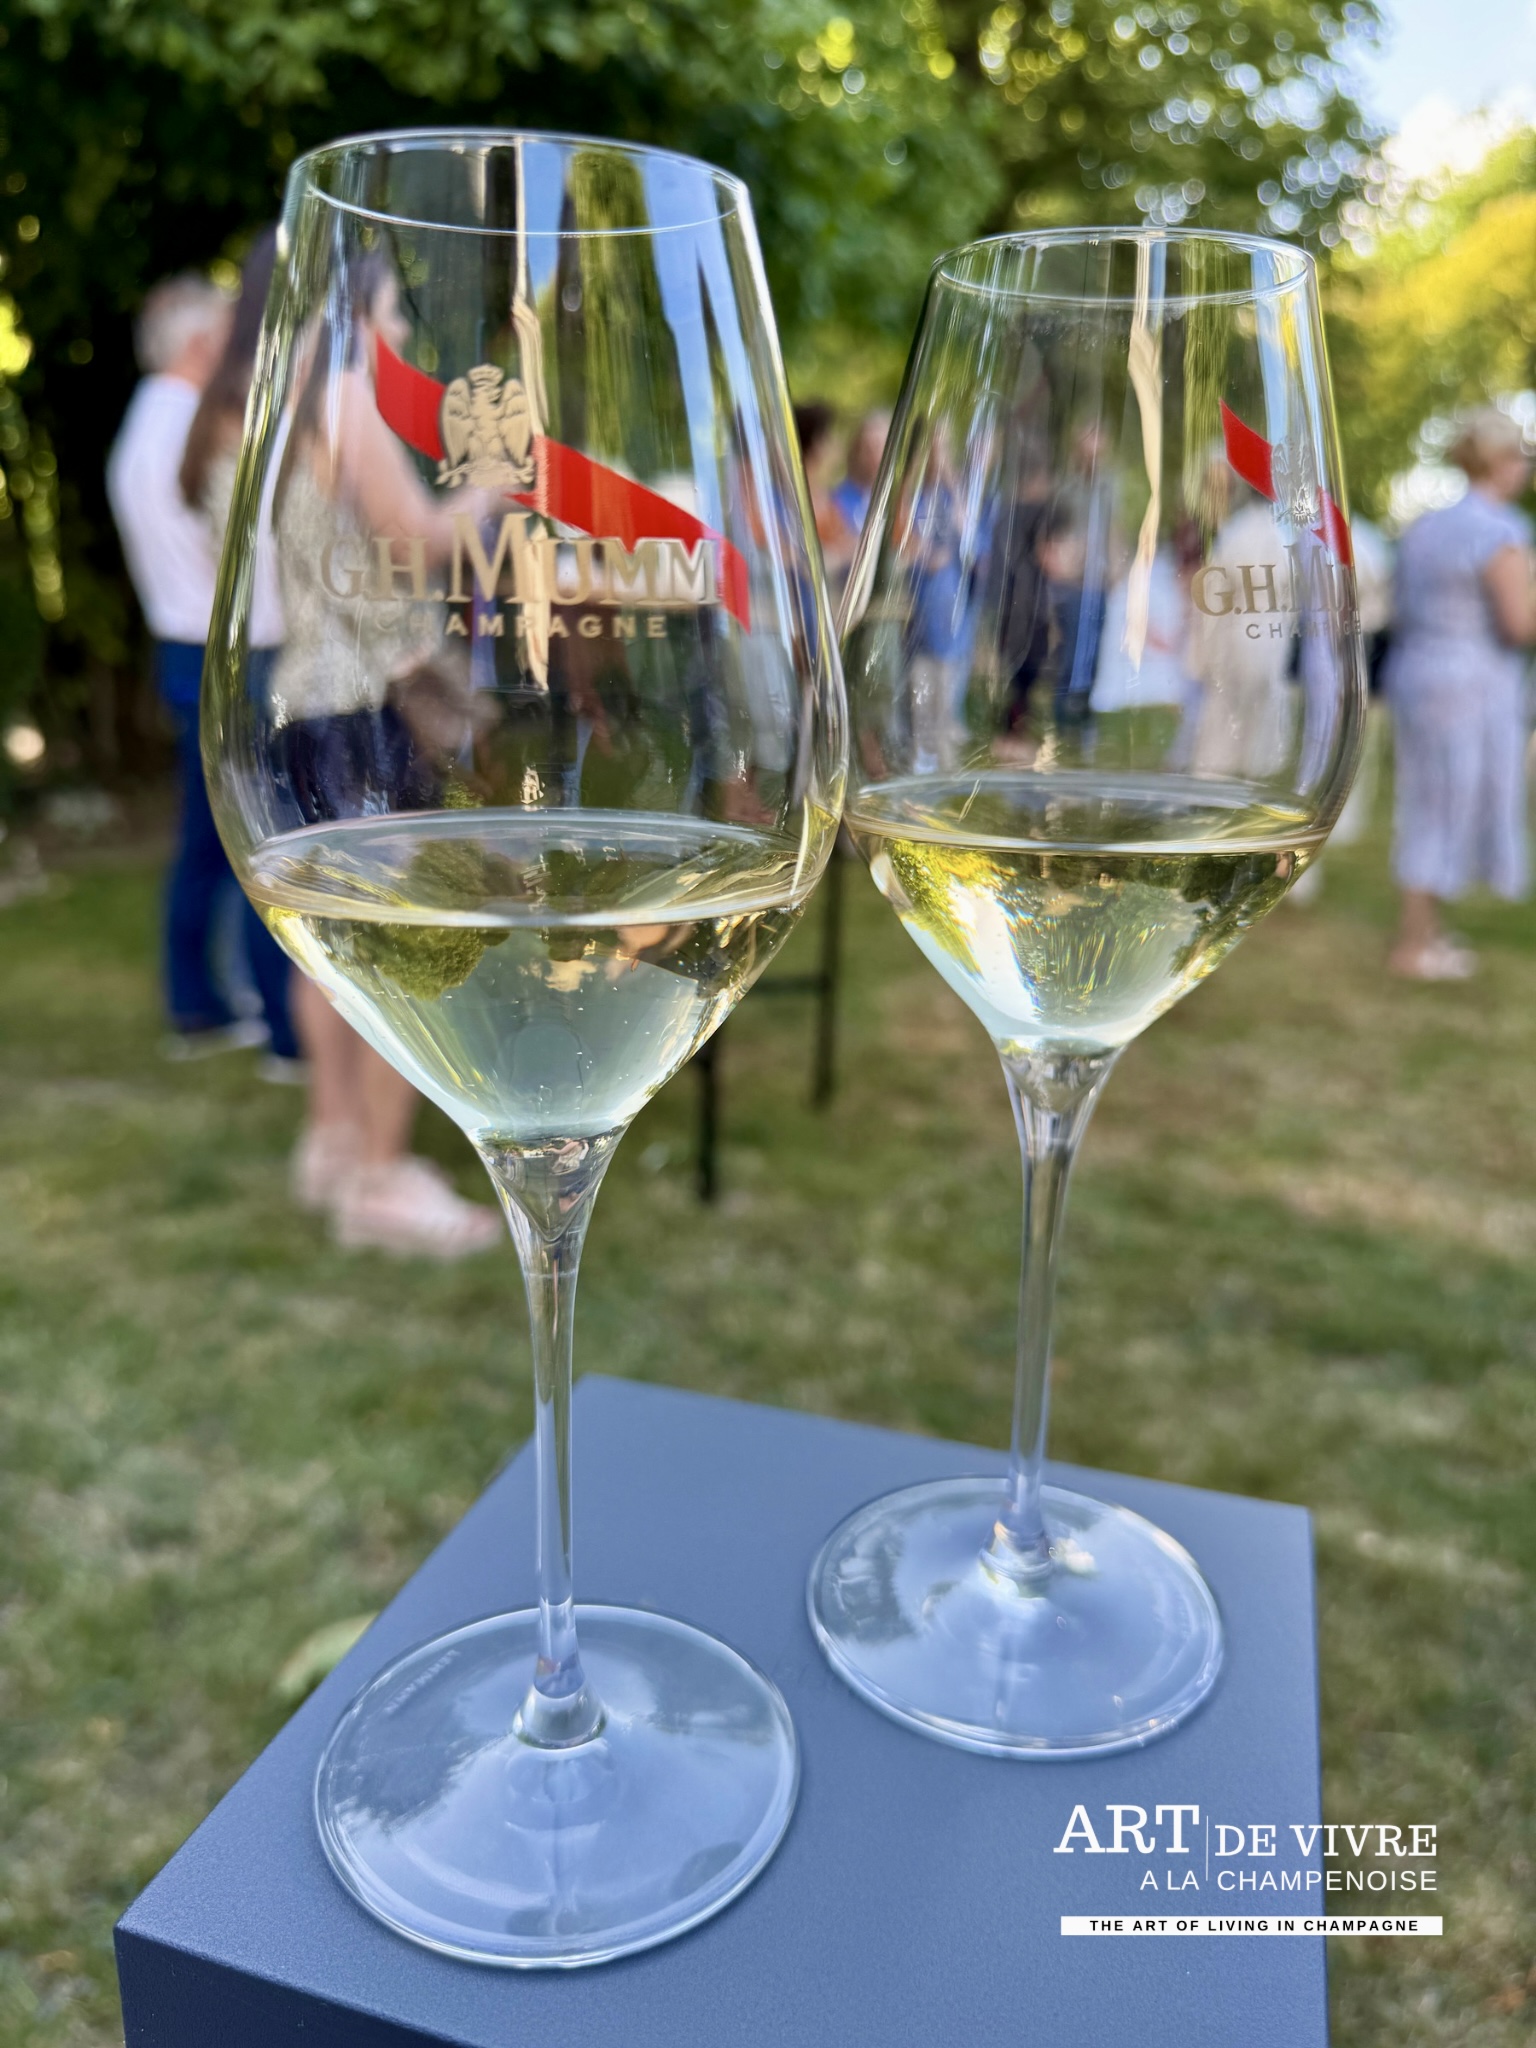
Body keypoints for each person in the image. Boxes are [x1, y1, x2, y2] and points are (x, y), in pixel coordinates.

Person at [263, 257, 500, 1258]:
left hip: (309, 700)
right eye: (394, 310)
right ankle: (382, 1179)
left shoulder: (286, 401)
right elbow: (418, 534)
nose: (402, 332)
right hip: (364, 708)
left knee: (330, 938)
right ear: (357, 312)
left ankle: (334, 1142)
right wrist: (491, 484)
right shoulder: (348, 392)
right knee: (402, 945)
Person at [107, 274, 299, 1067]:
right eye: (227, 332)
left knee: (206, 839)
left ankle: (198, 1004)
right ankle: (285, 1028)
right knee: (261, 835)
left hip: (180, 644)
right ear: (198, 345)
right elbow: (249, 557)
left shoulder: (139, 426)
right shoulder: (190, 429)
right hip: (231, 649)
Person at [1383, 409, 1536, 979]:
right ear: (1499, 462)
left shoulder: (1426, 525)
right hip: (1468, 683)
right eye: (1520, 456)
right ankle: (1413, 945)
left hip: (1417, 670)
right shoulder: (1501, 530)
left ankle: (1428, 930)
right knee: (1445, 805)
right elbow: (1518, 624)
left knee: (1426, 798)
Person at [793, 401, 858, 602]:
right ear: (817, 445)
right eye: (831, 437)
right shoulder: (789, 500)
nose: (837, 446)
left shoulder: (826, 498)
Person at [830, 408, 890, 542]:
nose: (874, 456)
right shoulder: (836, 501)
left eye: (879, 447)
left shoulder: (895, 500)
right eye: (867, 448)